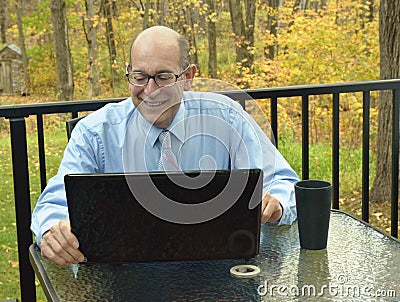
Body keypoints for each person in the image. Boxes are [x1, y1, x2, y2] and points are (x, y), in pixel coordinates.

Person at [31, 26, 299, 266]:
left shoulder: (227, 118)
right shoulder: (95, 131)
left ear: (189, 76)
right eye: (139, 76)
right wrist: (53, 231)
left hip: (219, 269)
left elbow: (283, 182)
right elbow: (54, 202)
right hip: (123, 276)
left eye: (163, 77)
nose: (150, 90)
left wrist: (275, 202)